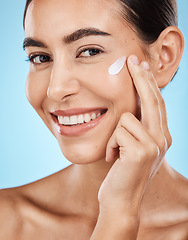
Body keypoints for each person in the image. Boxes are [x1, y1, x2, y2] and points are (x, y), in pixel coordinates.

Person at [0, 0, 188, 239]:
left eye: (90, 51)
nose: (56, 89)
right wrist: (118, 215)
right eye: (40, 57)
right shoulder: (6, 221)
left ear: (164, 56)